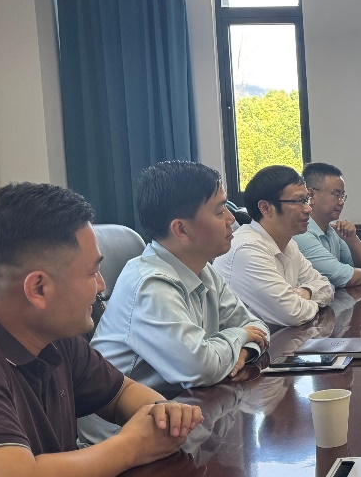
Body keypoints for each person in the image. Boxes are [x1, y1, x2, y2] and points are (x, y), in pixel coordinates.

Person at [0, 183, 202, 477]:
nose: (102, 285)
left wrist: (164, 415)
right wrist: (133, 446)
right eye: (91, 272)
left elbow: (121, 393)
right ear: (38, 288)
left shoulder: (52, 335)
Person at [79, 162, 271, 445]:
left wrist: (243, 351)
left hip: (182, 417)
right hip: (123, 438)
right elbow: (199, 367)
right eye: (220, 211)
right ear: (181, 229)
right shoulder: (150, 283)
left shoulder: (202, 270)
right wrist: (239, 337)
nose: (232, 218)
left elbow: (258, 327)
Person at [213, 165, 333, 327]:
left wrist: (308, 292)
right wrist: (309, 301)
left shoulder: (288, 243)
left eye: (306, 200)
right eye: (298, 201)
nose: (308, 209)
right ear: (265, 208)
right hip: (247, 342)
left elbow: (326, 286)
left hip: (279, 337)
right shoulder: (247, 248)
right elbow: (293, 314)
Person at [294, 162, 361, 287]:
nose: (341, 202)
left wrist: (352, 240)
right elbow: (344, 276)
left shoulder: (332, 229)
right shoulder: (301, 233)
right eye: (336, 195)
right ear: (311, 195)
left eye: (342, 196)